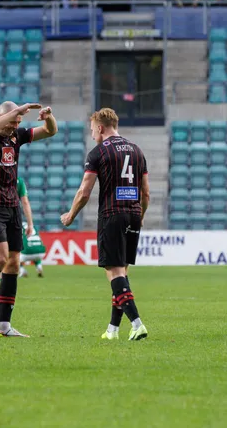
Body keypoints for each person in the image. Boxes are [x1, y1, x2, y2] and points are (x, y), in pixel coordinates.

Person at [60, 108, 150, 341]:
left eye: (92, 130)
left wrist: (70, 215)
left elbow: (84, 192)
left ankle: (137, 324)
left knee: (114, 272)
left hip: (112, 215)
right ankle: (113, 329)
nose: (92, 135)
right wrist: (139, 215)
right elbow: (146, 193)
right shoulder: (137, 151)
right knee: (122, 271)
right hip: (133, 213)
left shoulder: (98, 153)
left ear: (100, 127)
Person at [0, 101, 57, 338]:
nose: (15, 126)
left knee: (13, 263)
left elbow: (51, 131)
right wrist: (15, 112)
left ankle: (4, 326)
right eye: (12, 121)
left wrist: (48, 116)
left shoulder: (16, 136)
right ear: (0, 116)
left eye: (18, 123)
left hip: (11, 206)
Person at [16, 177, 44, 278]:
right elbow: (25, 202)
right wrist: (30, 224)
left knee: (12, 257)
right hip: (41, 252)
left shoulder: (20, 227)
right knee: (35, 253)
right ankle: (39, 266)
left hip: (26, 253)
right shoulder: (33, 227)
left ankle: (22, 270)